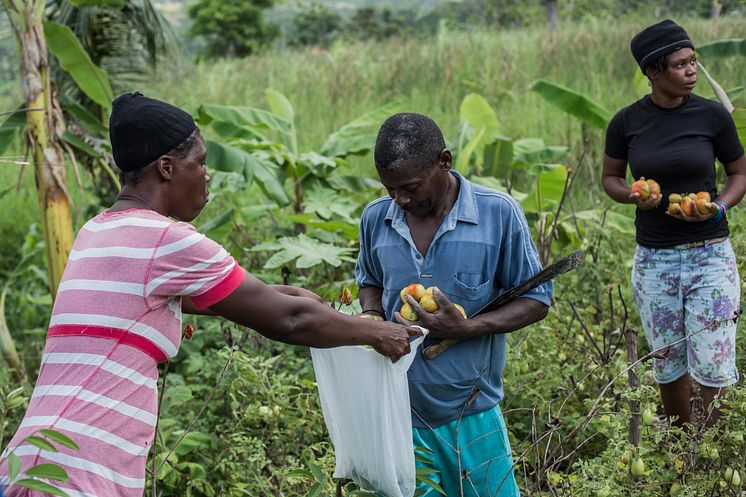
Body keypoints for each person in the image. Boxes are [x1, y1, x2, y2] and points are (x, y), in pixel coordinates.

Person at [0, 93, 419, 497]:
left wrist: (283, 293)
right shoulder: (167, 239)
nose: (207, 174)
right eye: (199, 163)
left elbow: (202, 298)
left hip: (29, 461)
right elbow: (288, 320)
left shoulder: (98, 230)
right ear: (166, 168)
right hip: (81, 471)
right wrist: (378, 333)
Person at [355, 113, 552, 497]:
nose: (401, 199)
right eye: (391, 189)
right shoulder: (376, 218)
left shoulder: (498, 214)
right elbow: (370, 282)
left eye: (410, 187)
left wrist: (466, 329)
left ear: (444, 161)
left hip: (472, 413)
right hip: (398, 415)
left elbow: (536, 300)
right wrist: (372, 318)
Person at [602, 20, 746, 428]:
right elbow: (611, 179)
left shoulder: (713, 116)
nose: (691, 71)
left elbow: (739, 174)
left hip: (710, 255)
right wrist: (632, 193)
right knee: (667, 360)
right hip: (655, 261)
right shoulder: (626, 122)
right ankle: (681, 445)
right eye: (680, 65)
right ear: (653, 72)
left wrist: (717, 207)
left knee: (715, 359)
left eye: (693, 62)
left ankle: (714, 448)